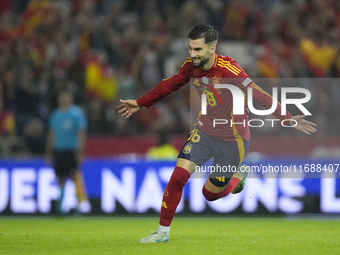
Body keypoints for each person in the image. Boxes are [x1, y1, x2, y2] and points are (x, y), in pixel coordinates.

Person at [118, 24, 317, 243]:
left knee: (209, 194)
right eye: (190, 49)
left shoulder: (229, 70)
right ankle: (162, 233)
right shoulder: (190, 67)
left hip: (234, 140)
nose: (192, 54)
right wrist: (140, 103)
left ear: (212, 49)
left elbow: (259, 95)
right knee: (178, 177)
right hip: (204, 131)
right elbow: (169, 85)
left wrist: (287, 118)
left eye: (198, 50)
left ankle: (238, 175)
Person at [45, 91, 91, 215]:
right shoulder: (55, 115)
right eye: (62, 96)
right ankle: (60, 206)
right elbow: (51, 134)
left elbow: (81, 133)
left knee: (75, 177)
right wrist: (49, 152)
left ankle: (78, 206)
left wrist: (80, 151)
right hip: (59, 150)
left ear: (70, 98)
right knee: (60, 178)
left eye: (66, 96)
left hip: (71, 150)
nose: (64, 98)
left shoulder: (76, 114)